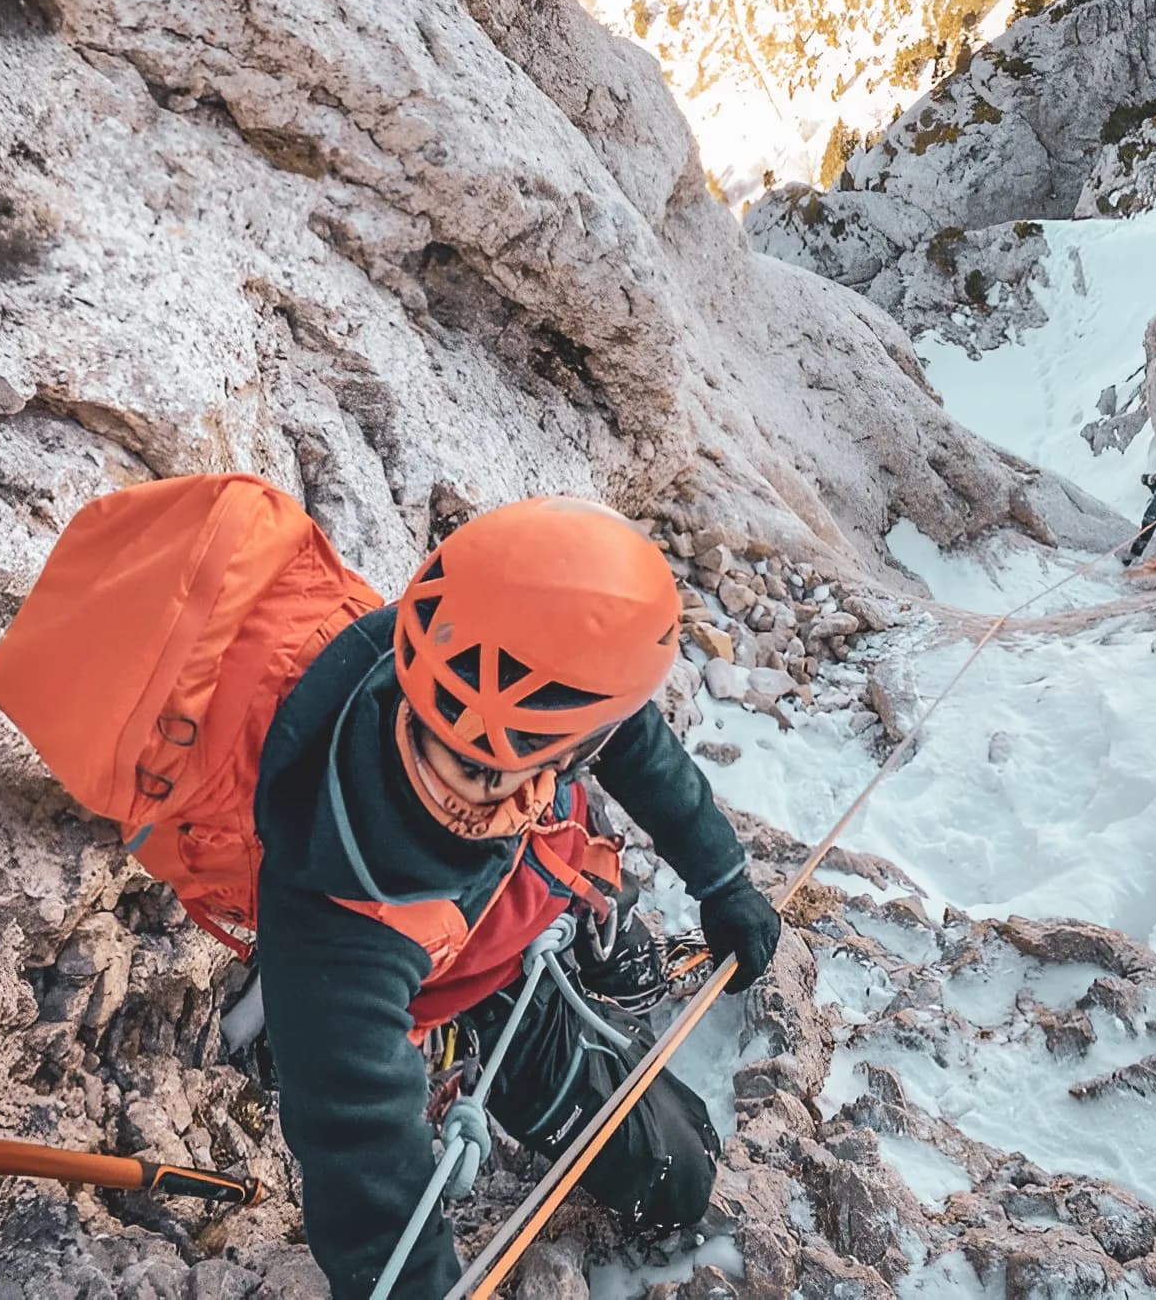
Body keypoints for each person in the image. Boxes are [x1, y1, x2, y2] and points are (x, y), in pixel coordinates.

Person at [252, 496, 781, 1297]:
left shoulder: (455, 656)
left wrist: (721, 878)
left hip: (540, 886)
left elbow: (626, 734)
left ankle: (608, 956)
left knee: (627, 977)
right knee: (678, 1174)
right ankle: (464, 1039)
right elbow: (368, 1189)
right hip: (471, 972)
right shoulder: (344, 940)